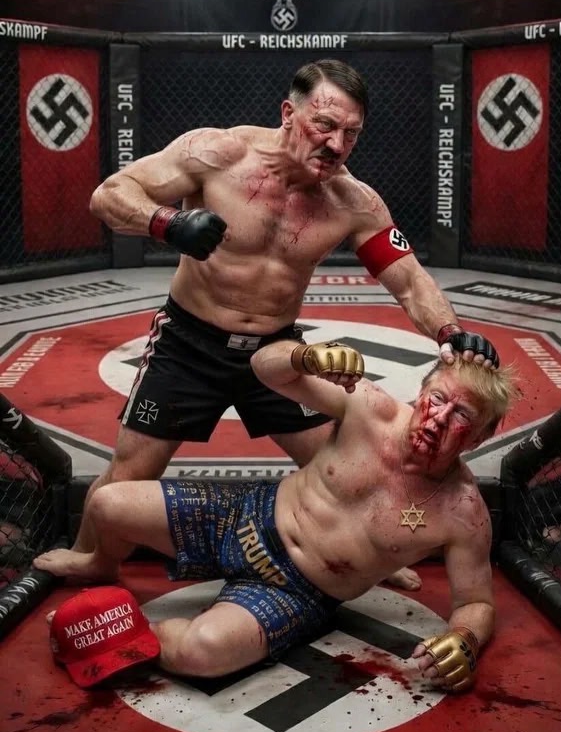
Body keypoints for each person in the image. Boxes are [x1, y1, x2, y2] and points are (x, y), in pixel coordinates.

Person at [74, 58, 499, 574]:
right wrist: (167, 222)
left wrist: (451, 333)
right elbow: (109, 195)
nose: (336, 144)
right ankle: (89, 559)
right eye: (325, 125)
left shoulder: (353, 202)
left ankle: (365, 557)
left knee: (348, 472)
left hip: (276, 355)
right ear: (288, 114)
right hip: (189, 345)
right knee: (126, 477)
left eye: (351, 134)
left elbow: (408, 279)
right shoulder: (216, 153)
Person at [35, 339, 517, 693]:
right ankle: (100, 563)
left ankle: (124, 631)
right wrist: (304, 357)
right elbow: (263, 369)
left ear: (480, 437)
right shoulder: (370, 408)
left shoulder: (463, 512)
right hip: (246, 514)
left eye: (461, 416)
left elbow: (477, 601)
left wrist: (465, 639)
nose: (438, 419)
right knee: (107, 503)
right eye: (438, 399)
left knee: (202, 653)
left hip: (296, 591)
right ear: (420, 391)